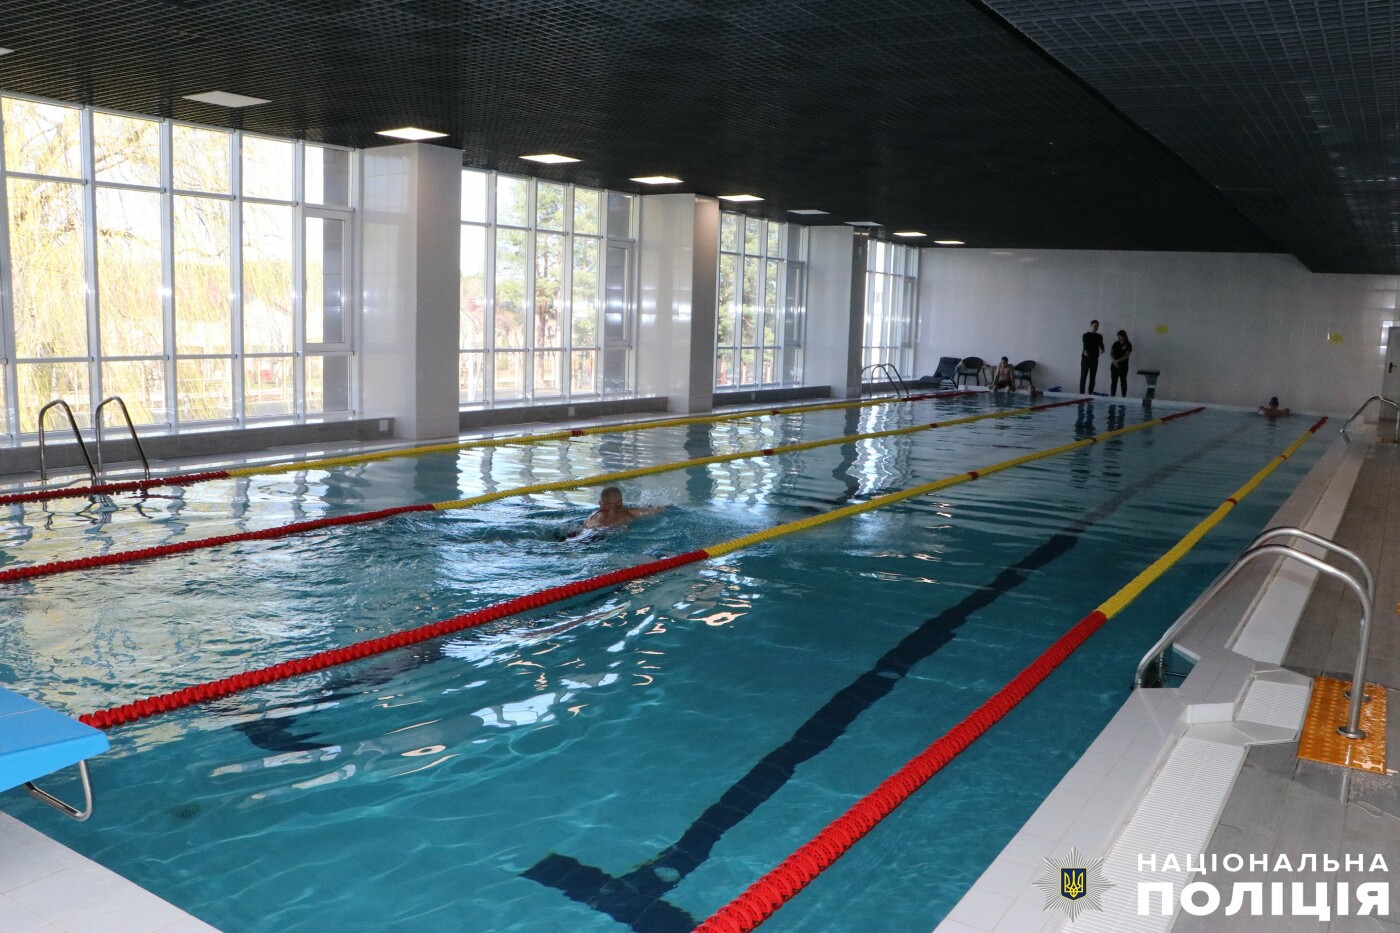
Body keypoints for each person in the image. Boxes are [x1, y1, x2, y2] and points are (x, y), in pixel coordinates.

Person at [584, 486, 664, 530]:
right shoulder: (627, 512)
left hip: (587, 532)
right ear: (620, 502)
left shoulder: (591, 517)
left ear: (600, 503)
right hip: (604, 534)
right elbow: (652, 511)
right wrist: (663, 507)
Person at [1079, 320, 1105, 394]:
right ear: (1091, 325)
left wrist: (1102, 349)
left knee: (1092, 378)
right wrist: (1085, 351)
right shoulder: (1086, 335)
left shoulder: (1099, 336)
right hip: (1086, 359)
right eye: (1095, 326)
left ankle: (1090, 394)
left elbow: (1101, 345)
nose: (1096, 327)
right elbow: (1085, 344)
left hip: (1094, 359)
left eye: (1097, 326)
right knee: (1083, 377)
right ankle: (1082, 394)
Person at [1109, 330, 1132, 397]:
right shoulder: (1115, 343)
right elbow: (1111, 353)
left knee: (1123, 381)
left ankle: (1123, 396)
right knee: (1114, 381)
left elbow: (1126, 356)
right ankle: (1112, 396)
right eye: (1118, 336)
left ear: (1124, 336)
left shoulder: (1128, 344)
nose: (1119, 337)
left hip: (1123, 366)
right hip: (1114, 365)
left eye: (1120, 336)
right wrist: (1114, 361)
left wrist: (1117, 361)